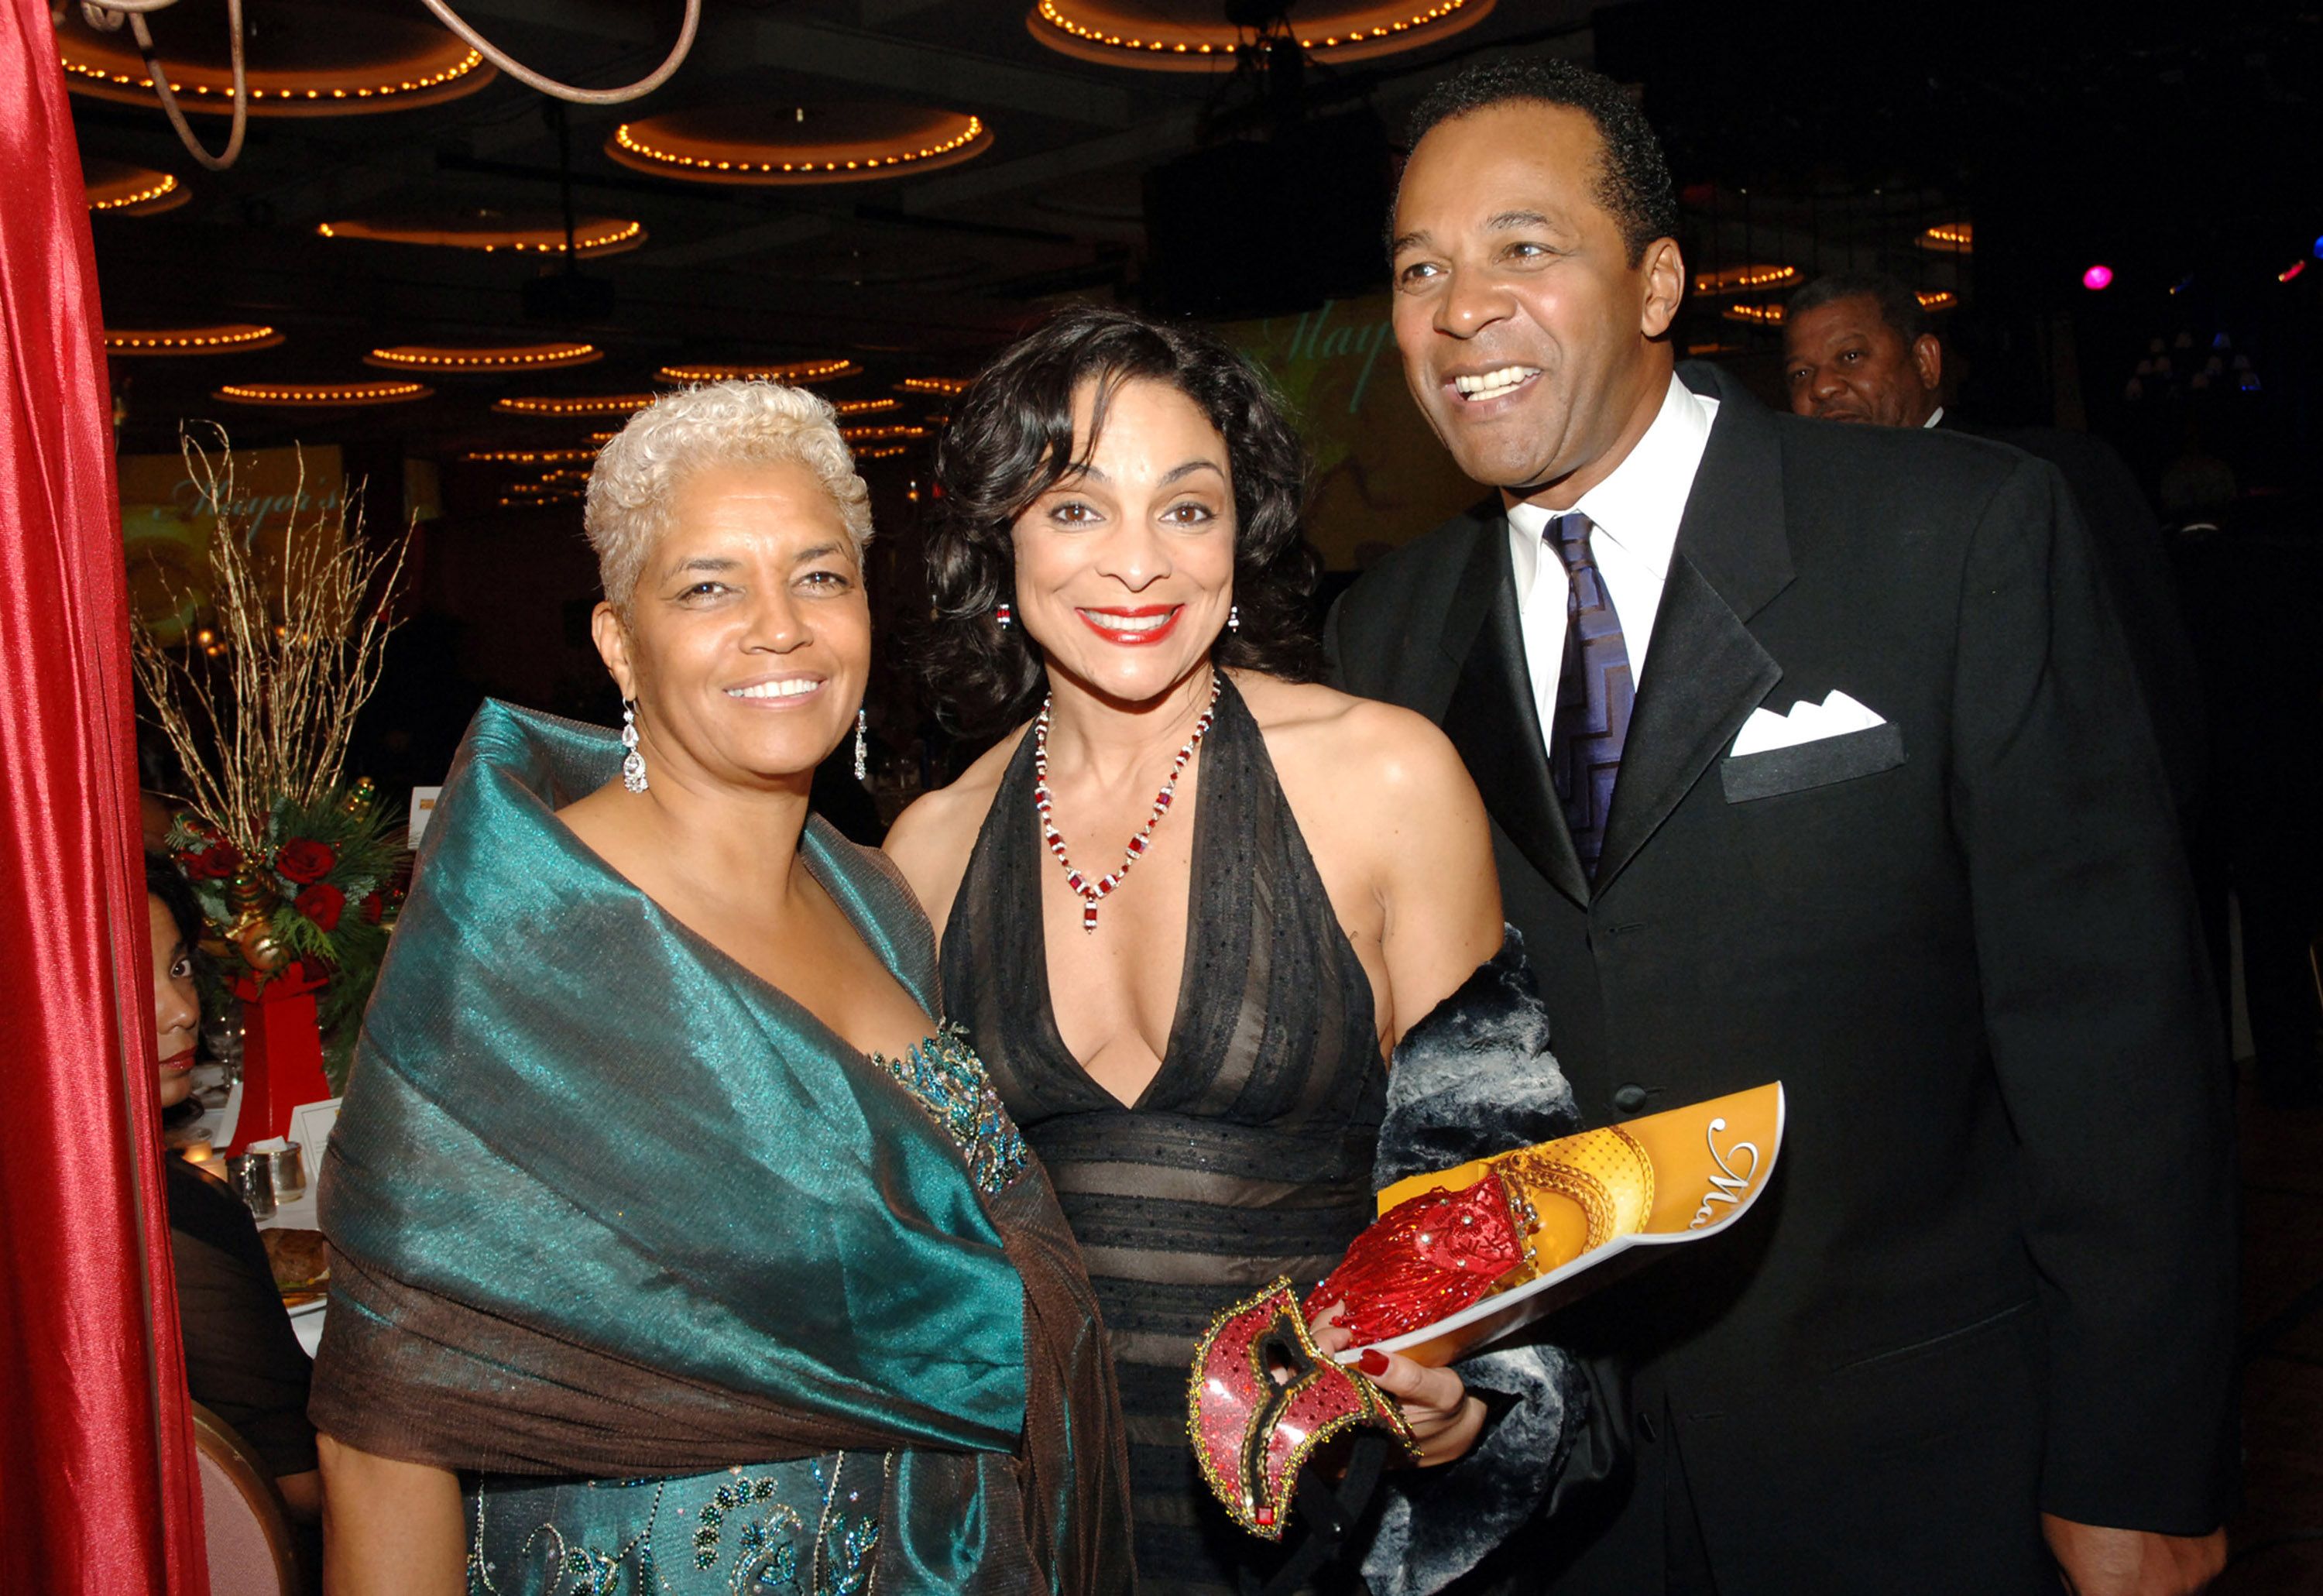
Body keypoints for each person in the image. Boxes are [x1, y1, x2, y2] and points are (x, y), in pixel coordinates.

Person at [1327, 58, 2236, 1596]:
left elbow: (2113, 1034)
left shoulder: (1950, 536)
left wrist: (2136, 1454)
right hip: (1560, 1495)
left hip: (1921, 1462)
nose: (1461, 306)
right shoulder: (1388, 637)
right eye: (1422, 268)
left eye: (1523, 249)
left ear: (1660, 279)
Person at [308, 381, 1134, 1595]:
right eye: (709, 587)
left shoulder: (877, 898)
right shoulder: (521, 936)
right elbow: (381, 1434)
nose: (781, 629)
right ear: (616, 643)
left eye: (820, 576)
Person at [884, 306, 1505, 1594]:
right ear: (997, 539)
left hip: (1335, 1517)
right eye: (1075, 509)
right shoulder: (929, 850)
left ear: (1244, 535)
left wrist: (1473, 1384)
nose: (1137, 565)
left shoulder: (1384, 775)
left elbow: (1493, 1185)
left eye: (1187, 508)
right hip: (1047, 1523)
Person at [1782, 270, 2207, 825]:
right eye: (1800, 374)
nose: (1822, 387)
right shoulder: (1797, 534)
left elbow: (2149, 668)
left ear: (1927, 361)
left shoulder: (2048, 474)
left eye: (1852, 356)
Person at [147, 853, 322, 1522]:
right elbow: (298, 1484)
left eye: (179, 967)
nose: (182, 1011)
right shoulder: (171, 1211)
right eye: (130, 976)